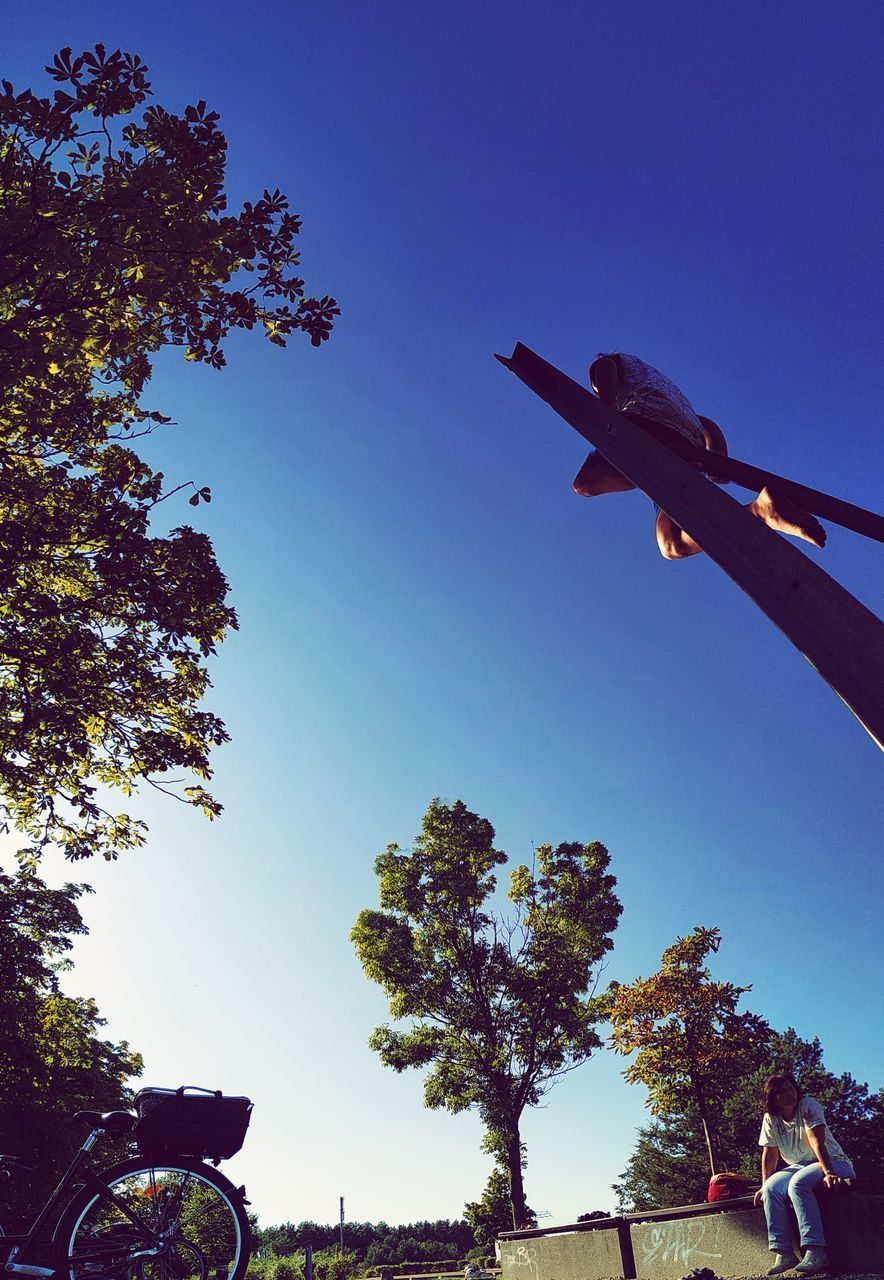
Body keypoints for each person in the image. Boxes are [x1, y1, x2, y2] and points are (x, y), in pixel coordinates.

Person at [572, 352, 827, 559]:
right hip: (687, 448)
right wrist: (716, 460)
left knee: (584, 483)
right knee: (670, 543)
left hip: (647, 425)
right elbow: (707, 424)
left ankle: (652, 468)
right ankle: (761, 511)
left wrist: (604, 412)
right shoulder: (670, 396)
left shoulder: (613, 368)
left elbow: (604, 377)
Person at [753, 1073, 856, 1275]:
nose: (789, 1093)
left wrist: (829, 1172)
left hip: (833, 1162)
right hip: (800, 1165)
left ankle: (815, 1251)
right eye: (782, 1091)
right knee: (772, 1188)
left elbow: (816, 1141)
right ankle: (783, 1251)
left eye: (791, 1088)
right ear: (773, 1097)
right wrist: (763, 1186)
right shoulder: (770, 1118)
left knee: (797, 1184)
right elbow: (770, 1154)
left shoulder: (808, 1105)